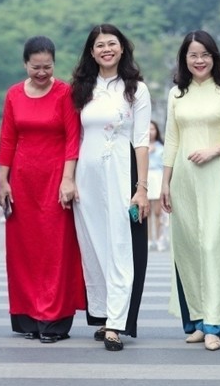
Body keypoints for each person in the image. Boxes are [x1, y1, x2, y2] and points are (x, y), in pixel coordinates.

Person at [160, 30, 220, 351]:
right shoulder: (176, 95)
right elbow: (172, 139)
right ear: (185, 58)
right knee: (190, 248)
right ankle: (197, 320)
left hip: (215, 177)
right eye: (193, 55)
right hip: (183, 181)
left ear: (215, 57)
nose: (199, 60)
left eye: (205, 54)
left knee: (214, 245)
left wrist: (216, 149)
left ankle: (217, 324)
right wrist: (165, 183)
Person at [0, 36, 86, 343]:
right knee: (24, 251)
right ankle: (28, 317)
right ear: (25, 64)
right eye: (36, 67)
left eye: (47, 66)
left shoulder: (64, 93)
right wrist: (3, 180)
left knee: (55, 249)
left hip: (55, 179)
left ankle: (55, 320)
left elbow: (73, 139)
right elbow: (7, 139)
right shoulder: (13, 95)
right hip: (22, 181)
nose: (42, 72)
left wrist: (68, 179)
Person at [71, 23, 151, 352]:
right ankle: (104, 315)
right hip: (86, 178)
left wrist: (142, 187)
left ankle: (117, 323)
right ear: (91, 52)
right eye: (100, 45)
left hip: (120, 172)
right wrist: (68, 179)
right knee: (93, 246)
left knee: (119, 245)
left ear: (122, 48)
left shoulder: (136, 89)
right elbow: (73, 137)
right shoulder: (80, 89)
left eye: (112, 43)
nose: (106, 49)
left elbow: (142, 141)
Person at [147, 120, 167, 252]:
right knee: (147, 212)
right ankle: (149, 239)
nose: (150, 132)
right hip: (146, 178)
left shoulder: (161, 147)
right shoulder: (141, 147)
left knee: (158, 211)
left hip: (158, 177)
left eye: (152, 129)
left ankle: (159, 239)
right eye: (148, 129)